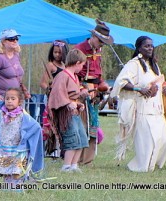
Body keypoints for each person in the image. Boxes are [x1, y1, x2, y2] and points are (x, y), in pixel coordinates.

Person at [110, 36, 166, 172]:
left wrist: (163, 89)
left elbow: (158, 83)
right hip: (143, 109)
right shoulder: (134, 64)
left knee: (163, 140)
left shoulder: (154, 66)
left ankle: (154, 164)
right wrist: (139, 89)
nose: (150, 48)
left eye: (151, 46)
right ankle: (141, 166)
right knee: (148, 142)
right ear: (139, 48)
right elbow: (121, 82)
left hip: (157, 109)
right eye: (146, 46)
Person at [0, 87, 43, 189]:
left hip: (18, 150)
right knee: (6, 171)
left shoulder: (23, 115)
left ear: (20, 102)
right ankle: (7, 189)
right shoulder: (1, 113)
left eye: (13, 99)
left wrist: (26, 140)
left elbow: (35, 126)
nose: (9, 101)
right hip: (4, 149)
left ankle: (17, 189)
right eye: (7, 99)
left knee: (16, 171)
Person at [74, 19, 114, 166]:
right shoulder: (78, 50)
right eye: (101, 41)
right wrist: (81, 88)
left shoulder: (98, 51)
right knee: (81, 125)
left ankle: (88, 159)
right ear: (94, 37)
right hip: (81, 90)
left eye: (104, 42)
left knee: (93, 126)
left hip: (95, 91)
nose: (102, 44)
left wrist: (103, 86)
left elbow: (99, 73)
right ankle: (76, 159)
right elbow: (71, 73)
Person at [48, 49, 89, 172]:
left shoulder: (75, 77)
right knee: (71, 138)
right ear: (77, 62)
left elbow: (74, 96)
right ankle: (66, 166)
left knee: (81, 138)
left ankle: (74, 165)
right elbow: (57, 93)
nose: (82, 67)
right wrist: (68, 102)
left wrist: (78, 103)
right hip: (66, 114)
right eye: (82, 65)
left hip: (75, 113)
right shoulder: (63, 76)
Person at [39, 40, 69, 159]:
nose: (57, 55)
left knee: (61, 123)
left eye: (60, 53)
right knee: (52, 124)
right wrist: (51, 90)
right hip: (52, 99)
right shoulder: (51, 65)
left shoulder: (65, 66)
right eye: (55, 52)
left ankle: (62, 150)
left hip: (63, 99)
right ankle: (51, 151)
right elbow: (42, 83)